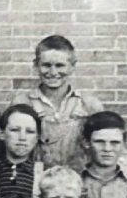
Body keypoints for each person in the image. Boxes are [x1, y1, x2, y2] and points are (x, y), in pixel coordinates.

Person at [12, 34, 104, 169]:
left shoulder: (89, 105)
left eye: (60, 65)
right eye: (46, 65)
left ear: (72, 66)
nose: (53, 72)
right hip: (35, 182)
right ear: (36, 65)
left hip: (79, 182)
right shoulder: (22, 103)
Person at [0, 104, 44, 198]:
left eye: (30, 132)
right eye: (15, 130)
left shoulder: (44, 175)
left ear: (37, 137)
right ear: (1, 134)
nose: (22, 138)